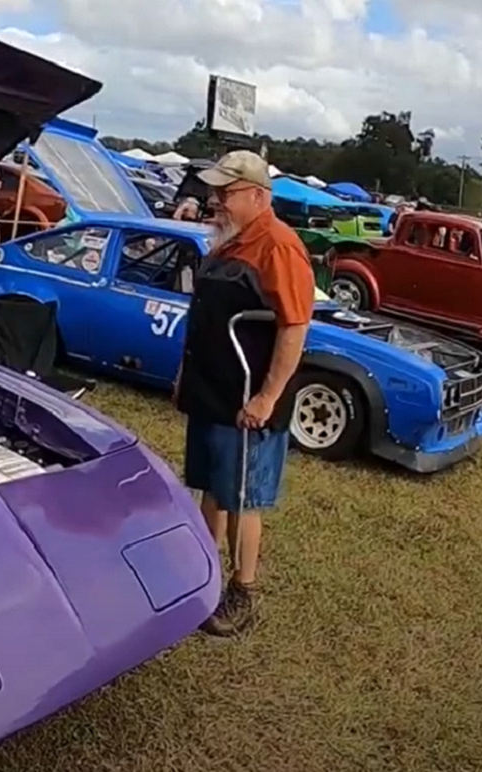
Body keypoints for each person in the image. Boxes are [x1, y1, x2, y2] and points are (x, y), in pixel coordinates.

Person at [172, 150, 314, 637]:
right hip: (211, 392)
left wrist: (268, 398)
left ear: (258, 196)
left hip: (248, 400)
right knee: (211, 487)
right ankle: (203, 575)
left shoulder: (278, 246)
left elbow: (294, 327)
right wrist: (184, 376)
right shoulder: (226, 244)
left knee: (243, 498)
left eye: (226, 194)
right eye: (215, 193)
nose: (216, 203)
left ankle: (243, 590)